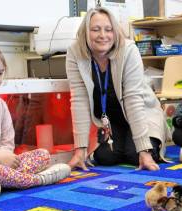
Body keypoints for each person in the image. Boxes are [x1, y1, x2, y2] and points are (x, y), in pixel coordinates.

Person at [66, 7, 169, 171]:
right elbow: (79, 100)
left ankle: (142, 143)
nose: (103, 35)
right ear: (86, 32)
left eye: (109, 30)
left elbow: (133, 100)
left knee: (136, 155)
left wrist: (143, 149)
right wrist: (80, 150)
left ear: (115, 32)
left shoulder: (129, 50)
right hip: (112, 121)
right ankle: (126, 144)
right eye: (95, 30)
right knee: (105, 157)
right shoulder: (74, 52)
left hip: (142, 113)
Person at [0, 41, 71, 192]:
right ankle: (38, 180)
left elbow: (7, 141)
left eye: (0, 73)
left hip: (0, 166)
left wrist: (4, 155)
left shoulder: (0, 104)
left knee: (43, 155)